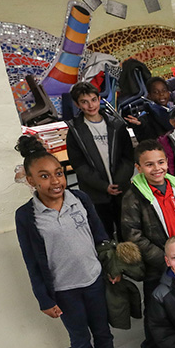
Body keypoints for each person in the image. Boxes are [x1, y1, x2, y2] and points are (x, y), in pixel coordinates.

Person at [15, 135, 120, 348]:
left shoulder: (80, 199)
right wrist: (44, 298)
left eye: (58, 173)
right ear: (31, 181)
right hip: (64, 290)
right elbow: (31, 260)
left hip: (93, 280)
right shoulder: (26, 216)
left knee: (103, 332)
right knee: (81, 338)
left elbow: (100, 236)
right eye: (44, 176)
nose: (55, 181)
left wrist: (111, 267)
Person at [121, 140, 175, 348]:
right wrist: (166, 260)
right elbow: (133, 235)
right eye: (149, 164)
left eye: (161, 162)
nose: (157, 168)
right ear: (138, 168)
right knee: (156, 310)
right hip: (156, 267)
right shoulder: (133, 196)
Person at [66, 81, 133, 239]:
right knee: (104, 233)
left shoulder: (117, 125)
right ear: (77, 104)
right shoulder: (75, 131)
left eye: (93, 100)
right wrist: (104, 186)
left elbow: (128, 157)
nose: (91, 105)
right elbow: (79, 165)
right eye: (84, 102)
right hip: (96, 193)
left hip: (121, 189)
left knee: (127, 231)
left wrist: (120, 182)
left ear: (99, 99)